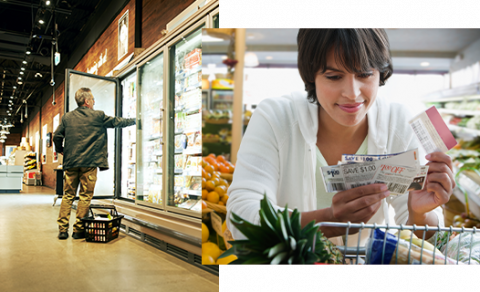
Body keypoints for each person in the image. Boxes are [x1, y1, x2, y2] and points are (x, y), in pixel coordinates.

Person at [226, 28, 455, 247]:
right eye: (334, 77)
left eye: (365, 74)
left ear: (380, 73)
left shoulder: (398, 123)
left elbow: (425, 243)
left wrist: (419, 214)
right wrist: (328, 220)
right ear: (311, 76)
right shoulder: (275, 118)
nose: (352, 93)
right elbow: (242, 216)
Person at [53, 87, 136, 240]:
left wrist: (61, 150)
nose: (94, 101)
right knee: (85, 196)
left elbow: (57, 136)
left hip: (71, 163)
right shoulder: (98, 116)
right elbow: (117, 122)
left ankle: (63, 230)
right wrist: (135, 120)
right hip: (89, 163)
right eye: (92, 99)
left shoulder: (67, 118)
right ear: (87, 101)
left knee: (67, 195)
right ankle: (78, 230)